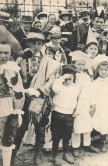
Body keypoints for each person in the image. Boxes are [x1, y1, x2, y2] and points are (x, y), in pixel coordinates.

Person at [13, 32, 61, 165]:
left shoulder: (49, 62)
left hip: (40, 99)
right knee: (20, 127)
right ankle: (12, 154)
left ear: (43, 45)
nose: (36, 46)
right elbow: (14, 76)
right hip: (23, 97)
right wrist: (22, 90)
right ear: (28, 43)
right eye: (33, 43)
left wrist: (39, 91)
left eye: (39, 43)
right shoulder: (21, 59)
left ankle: (37, 155)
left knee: (40, 128)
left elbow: (51, 80)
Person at [70, 50, 100, 156]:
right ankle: (75, 146)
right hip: (76, 105)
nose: (81, 66)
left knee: (87, 125)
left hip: (86, 104)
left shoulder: (87, 76)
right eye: (78, 64)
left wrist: (93, 104)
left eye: (83, 64)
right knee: (77, 126)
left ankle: (87, 144)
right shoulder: (72, 77)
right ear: (74, 64)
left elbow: (92, 91)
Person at [0, 41, 24, 166]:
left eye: (6, 53)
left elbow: (19, 91)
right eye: (0, 52)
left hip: (9, 108)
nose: (3, 55)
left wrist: (18, 111)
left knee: (8, 139)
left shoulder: (14, 69)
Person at [51, 64, 80, 165]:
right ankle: (55, 154)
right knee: (56, 135)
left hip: (69, 115)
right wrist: (61, 78)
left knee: (67, 135)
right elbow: (55, 89)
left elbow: (77, 101)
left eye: (70, 79)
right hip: (58, 113)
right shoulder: (58, 85)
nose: (67, 82)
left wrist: (76, 111)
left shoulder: (75, 88)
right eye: (65, 79)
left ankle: (65, 153)